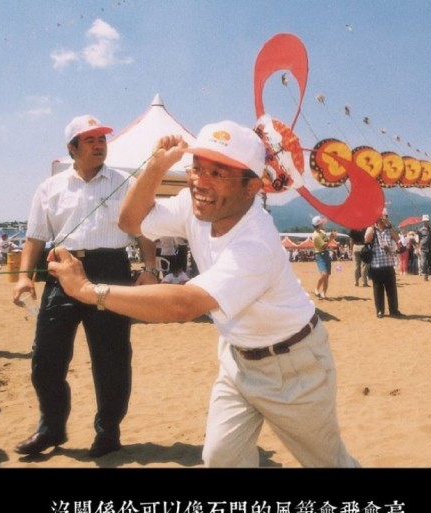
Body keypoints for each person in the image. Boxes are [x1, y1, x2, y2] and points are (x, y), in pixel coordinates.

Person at [47, 120, 360, 468]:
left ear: (251, 187)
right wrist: (156, 166)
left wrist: (88, 291)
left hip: (293, 366)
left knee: (327, 463)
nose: (200, 182)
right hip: (238, 358)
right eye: (196, 168)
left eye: (218, 173)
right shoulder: (195, 205)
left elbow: (184, 305)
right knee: (221, 459)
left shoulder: (256, 241)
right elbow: (130, 222)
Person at [12, 114, 159, 458]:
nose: (98, 145)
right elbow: (35, 238)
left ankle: (108, 432)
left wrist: (150, 268)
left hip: (111, 270)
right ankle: (51, 427)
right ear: (72, 147)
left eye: (102, 139)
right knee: (46, 358)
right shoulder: (50, 188)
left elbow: (145, 231)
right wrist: (24, 277)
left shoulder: (126, 182)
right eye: (90, 140)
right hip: (62, 270)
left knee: (111, 358)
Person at [365, 211, 403, 318]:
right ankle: (380, 310)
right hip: (376, 265)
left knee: (392, 289)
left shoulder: (389, 230)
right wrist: (373, 224)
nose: (383, 218)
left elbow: (397, 238)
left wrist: (389, 225)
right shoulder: (372, 229)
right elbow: (366, 239)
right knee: (378, 289)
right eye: (382, 216)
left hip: (389, 264)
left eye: (385, 216)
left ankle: (394, 310)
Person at [311, 215, 336, 300]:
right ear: (319, 224)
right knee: (324, 274)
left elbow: (326, 240)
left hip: (326, 254)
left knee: (327, 276)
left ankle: (323, 293)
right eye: (322, 223)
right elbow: (325, 246)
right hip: (320, 255)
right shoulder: (316, 235)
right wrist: (331, 239)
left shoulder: (322, 232)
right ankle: (317, 289)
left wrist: (331, 236)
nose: (323, 223)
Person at [417, 214, 431, 281]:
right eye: (424, 221)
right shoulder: (420, 230)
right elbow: (419, 240)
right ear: (423, 222)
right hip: (423, 249)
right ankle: (425, 276)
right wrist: (418, 249)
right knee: (423, 263)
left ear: (429, 221)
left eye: (427, 221)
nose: (426, 222)